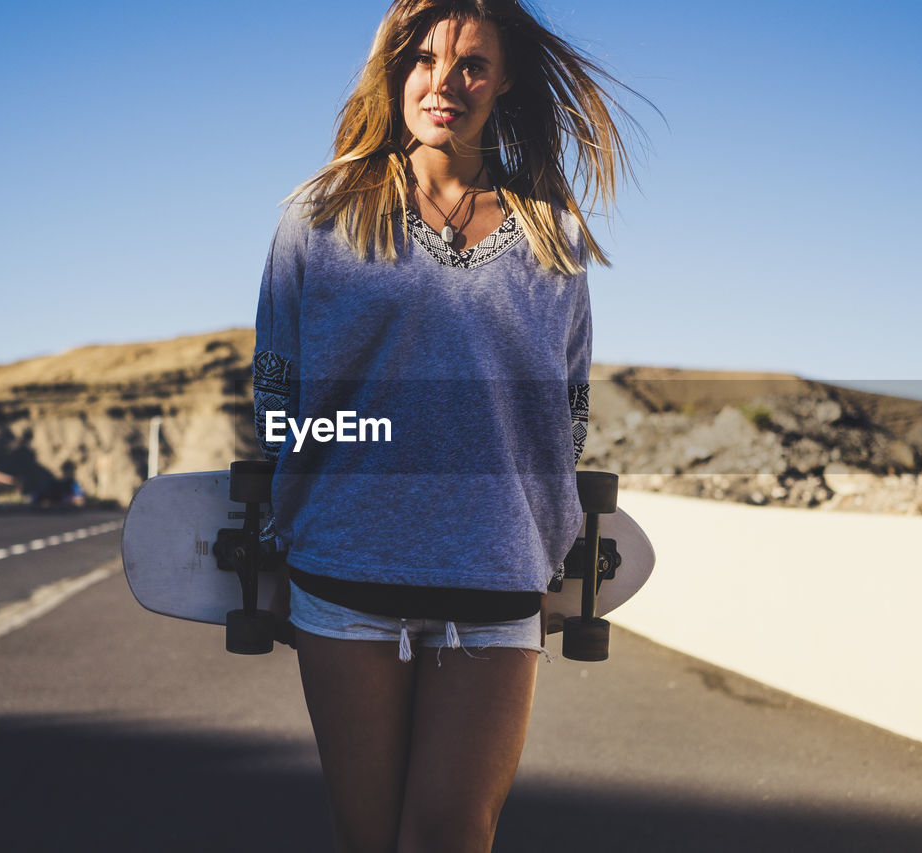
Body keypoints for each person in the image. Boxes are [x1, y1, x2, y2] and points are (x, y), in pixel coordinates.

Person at [252, 1, 643, 849]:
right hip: (347, 577)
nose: (445, 83)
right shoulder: (319, 217)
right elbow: (277, 387)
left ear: (503, 80)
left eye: (471, 64)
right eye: (423, 59)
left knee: (454, 833)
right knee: (369, 835)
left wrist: (532, 522)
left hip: (497, 579)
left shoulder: (554, 238)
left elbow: (568, 409)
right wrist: (323, 495)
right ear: (392, 71)